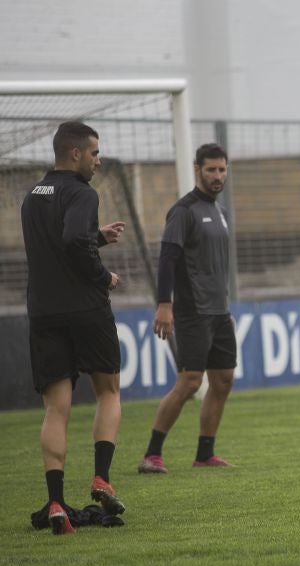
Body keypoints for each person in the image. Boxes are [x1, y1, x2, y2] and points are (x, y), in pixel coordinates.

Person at [21, 121, 127, 534]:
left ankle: (55, 502)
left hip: (44, 311)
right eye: (95, 153)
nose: (98, 161)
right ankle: (101, 477)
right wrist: (104, 277)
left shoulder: (32, 196)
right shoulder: (82, 192)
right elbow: (70, 242)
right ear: (76, 154)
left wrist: (93, 237)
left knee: (55, 408)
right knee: (109, 391)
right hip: (85, 308)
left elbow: (56, 245)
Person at [137, 143, 236, 474]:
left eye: (222, 169)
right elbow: (167, 258)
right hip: (193, 310)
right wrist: (164, 304)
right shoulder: (184, 210)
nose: (217, 175)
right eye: (211, 169)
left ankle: (205, 454)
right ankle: (152, 454)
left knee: (222, 380)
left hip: (220, 311)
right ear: (198, 170)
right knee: (190, 381)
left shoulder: (221, 211)